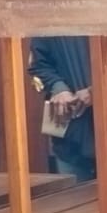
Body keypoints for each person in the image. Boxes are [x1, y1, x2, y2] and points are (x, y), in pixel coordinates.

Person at [28, 37, 96, 182]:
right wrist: (58, 88)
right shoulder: (47, 22)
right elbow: (38, 65)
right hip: (69, 130)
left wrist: (95, 91)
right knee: (72, 190)